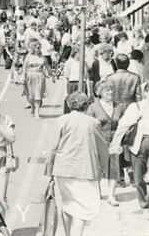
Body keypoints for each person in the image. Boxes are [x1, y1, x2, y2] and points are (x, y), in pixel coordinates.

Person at [46, 92, 109, 236]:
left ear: (69, 105)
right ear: (86, 105)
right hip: (85, 171)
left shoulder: (62, 120)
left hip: (63, 170)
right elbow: (103, 149)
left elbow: (52, 148)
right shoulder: (92, 123)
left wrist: (49, 171)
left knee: (67, 204)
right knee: (82, 210)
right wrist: (103, 168)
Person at [110, 80, 149, 225]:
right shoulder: (136, 107)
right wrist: (115, 143)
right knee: (138, 180)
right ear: (145, 93)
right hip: (137, 147)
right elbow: (123, 126)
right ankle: (144, 207)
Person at [86, 81, 125, 206]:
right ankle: (96, 192)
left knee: (114, 169)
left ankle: (111, 196)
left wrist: (121, 142)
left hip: (114, 142)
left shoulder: (119, 107)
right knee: (97, 168)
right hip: (98, 142)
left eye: (111, 90)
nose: (110, 92)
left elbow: (124, 125)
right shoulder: (93, 107)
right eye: (107, 90)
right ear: (100, 93)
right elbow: (87, 124)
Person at [22, 39, 49, 120]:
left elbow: (47, 67)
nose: (39, 49)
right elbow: (24, 67)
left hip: (40, 77)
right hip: (30, 76)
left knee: (38, 96)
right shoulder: (28, 56)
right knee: (30, 96)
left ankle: (37, 112)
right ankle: (33, 108)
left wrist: (52, 75)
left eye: (40, 47)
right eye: (37, 47)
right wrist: (23, 76)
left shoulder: (43, 57)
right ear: (33, 48)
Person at [62, 46, 89, 114]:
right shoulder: (69, 62)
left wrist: (88, 90)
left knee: (82, 103)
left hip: (82, 84)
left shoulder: (84, 63)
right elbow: (66, 77)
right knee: (72, 103)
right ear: (75, 53)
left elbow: (87, 77)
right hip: (72, 85)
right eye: (79, 53)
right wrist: (65, 92)